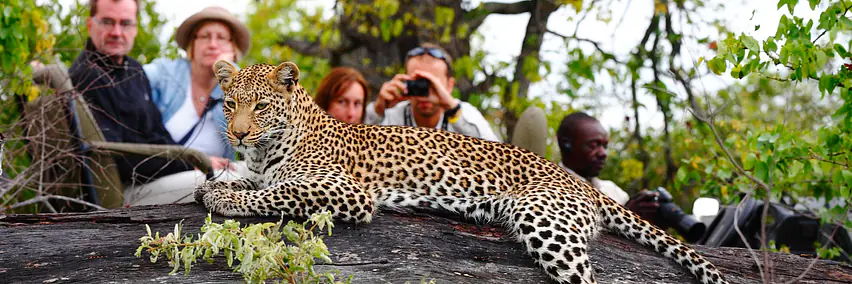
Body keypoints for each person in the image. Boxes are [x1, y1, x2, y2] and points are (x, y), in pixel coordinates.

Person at [68, 0, 239, 206]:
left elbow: (157, 134)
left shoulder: (133, 70)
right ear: (89, 25)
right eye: (107, 22)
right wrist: (191, 163)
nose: (116, 32)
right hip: (127, 190)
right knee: (231, 184)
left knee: (250, 175)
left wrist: (193, 160)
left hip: (160, 176)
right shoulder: (87, 75)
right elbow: (116, 159)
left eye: (125, 23)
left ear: (135, 27)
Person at [143, 6, 250, 169]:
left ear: (233, 48)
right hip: (164, 173)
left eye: (221, 38)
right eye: (205, 36)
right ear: (193, 43)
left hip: (215, 182)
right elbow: (131, 79)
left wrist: (227, 69)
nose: (213, 44)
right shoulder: (166, 73)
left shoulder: (238, 87)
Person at [364, 43, 501, 142]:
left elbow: (495, 154)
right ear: (405, 80)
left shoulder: (465, 113)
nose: (425, 91)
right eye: (417, 82)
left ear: (449, 85)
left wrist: (453, 110)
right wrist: (378, 110)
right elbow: (356, 145)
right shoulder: (392, 116)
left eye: (433, 83)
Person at [556, 112, 663, 223]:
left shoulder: (611, 190)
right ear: (566, 144)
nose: (603, 153)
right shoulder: (552, 191)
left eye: (604, 146)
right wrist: (624, 218)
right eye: (593, 145)